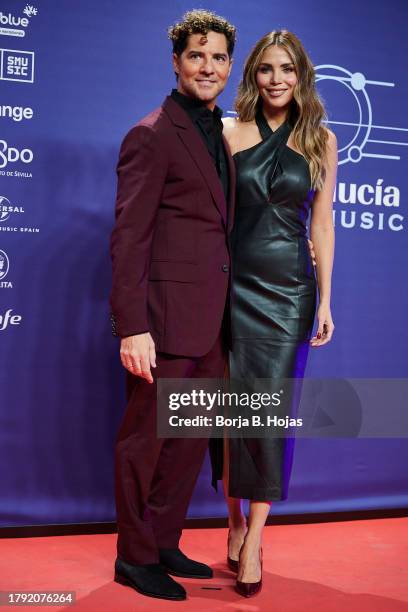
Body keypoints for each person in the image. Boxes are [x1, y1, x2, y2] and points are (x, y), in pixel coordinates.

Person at [109, 10, 237, 601]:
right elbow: (129, 236)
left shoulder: (222, 132)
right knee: (146, 444)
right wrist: (131, 326)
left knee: (187, 443)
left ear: (229, 66)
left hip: (210, 322)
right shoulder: (153, 132)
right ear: (176, 62)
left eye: (217, 58)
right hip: (161, 323)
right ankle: (134, 558)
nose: (207, 66)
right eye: (196, 56)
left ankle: (162, 539)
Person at [219, 30, 337, 597]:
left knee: (270, 414)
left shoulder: (321, 141)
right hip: (233, 287)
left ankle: (258, 538)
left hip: (290, 291)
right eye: (266, 69)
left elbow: (322, 225)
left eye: (287, 69)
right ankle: (234, 522)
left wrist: (327, 299)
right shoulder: (229, 132)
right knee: (232, 412)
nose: (276, 80)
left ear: (301, 75)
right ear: (253, 75)